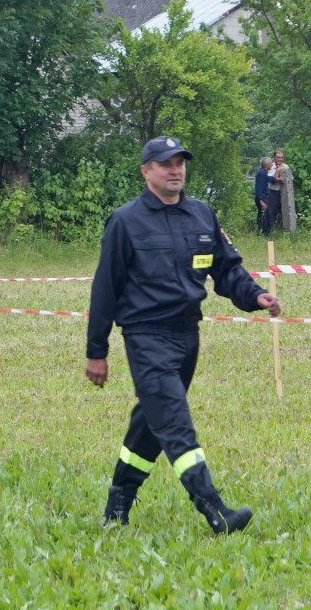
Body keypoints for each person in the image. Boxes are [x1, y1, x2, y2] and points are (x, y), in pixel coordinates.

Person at [86, 136, 281, 534]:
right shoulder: (125, 221)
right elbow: (104, 289)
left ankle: (117, 506)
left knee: (151, 423)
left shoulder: (201, 215)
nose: (175, 169)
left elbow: (227, 270)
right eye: (165, 163)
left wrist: (255, 294)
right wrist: (97, 351)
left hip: (187, 335)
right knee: (175, 424)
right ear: (146, 171)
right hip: (146, 336)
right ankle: (215, 509)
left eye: (180, 162)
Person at [254, 157, 271, 234]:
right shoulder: (261, 173)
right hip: (262, 198)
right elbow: (259, 188)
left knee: (267, 216)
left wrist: (277, 179)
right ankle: (263, 233)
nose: (271, 164)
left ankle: (265, 233)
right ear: (266, 164)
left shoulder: (264, 173)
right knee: (265, 217)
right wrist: (261, 201)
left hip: (264, 197)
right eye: (270, 163)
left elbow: (268, 178)